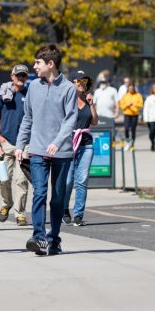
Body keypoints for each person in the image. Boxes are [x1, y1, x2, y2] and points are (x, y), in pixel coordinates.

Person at [15, 44, 77, 256]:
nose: (34, 67)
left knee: (58, 198)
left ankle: (54, 239)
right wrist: (20, 144)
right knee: (39, 192)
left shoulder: (68, 88)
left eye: (38, 63)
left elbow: (70, 120)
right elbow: (28, 117)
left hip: (61, 152)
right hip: (38, 150)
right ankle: (39, 237)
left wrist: (58, 142)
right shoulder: (33, 87)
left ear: (50, 64)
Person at [0, 64, 31, 227]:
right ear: (12, 76)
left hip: (26, 144)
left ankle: (20, 213)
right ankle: (6, 203)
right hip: (5, 142)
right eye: (18, 75)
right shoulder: (2, 95)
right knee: (3, 178)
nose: (20, 78)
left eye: (23, 75)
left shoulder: (30, 94)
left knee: (21, 180)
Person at [63, 70, 98, 226]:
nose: (82, 84)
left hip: (86, 144)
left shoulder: (88, 100)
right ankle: (64, 209)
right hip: (69, 144)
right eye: (78, 81)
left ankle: (78, 214)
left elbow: (95, 121)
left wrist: (92, 105)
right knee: (68, 181)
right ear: (72, 83)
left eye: (84, 81)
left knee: (82, 180)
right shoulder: (66, 101)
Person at [119, 82, 143, 149]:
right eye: (130, 89)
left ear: (134, 89)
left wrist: (135, 104)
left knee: (133, 130)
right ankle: (127, 141)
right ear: (128, 89)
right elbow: (121, 106)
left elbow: (141, 104)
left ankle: (132, 144)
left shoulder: (138, 95)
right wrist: (126, 105)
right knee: (126, 128)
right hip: (127, 114)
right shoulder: (125, 95)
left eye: (132, 88)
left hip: (135, 114)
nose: (131, 90)